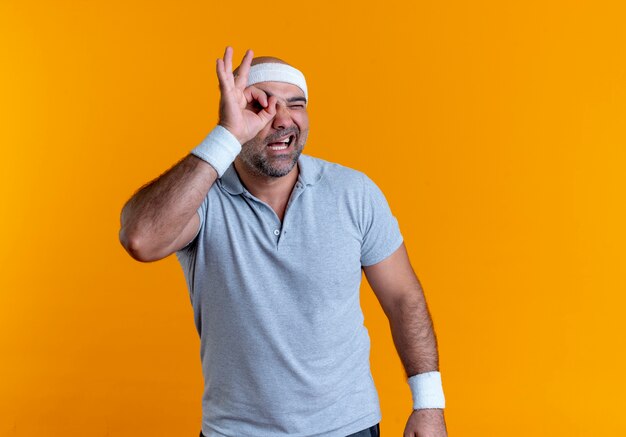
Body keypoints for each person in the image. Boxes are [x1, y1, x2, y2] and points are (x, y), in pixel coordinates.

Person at [119, 46, 447, 437]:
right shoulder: (202, 199)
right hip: (236, 432)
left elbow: (402, 297)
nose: (284, 119)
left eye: (297, 104)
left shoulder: (353, 193)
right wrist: (226, 136)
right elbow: (140, 238)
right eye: (263, 105)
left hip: (348, 428)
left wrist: (428, 403)